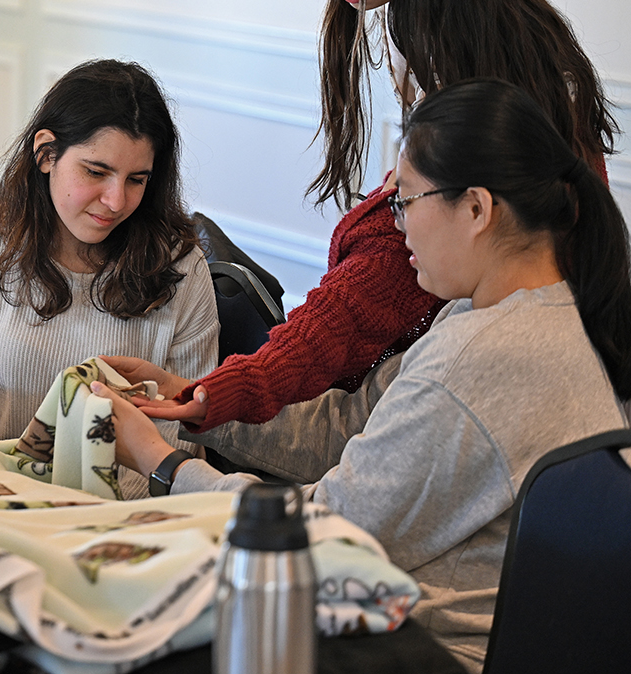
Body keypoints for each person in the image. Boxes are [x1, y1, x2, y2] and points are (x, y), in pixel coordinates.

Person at [94, 79, 631, 670]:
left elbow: (324, 533)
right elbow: (352, 425)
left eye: (406, 201)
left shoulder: (482, 358)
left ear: (476, 209)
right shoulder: (525, 311)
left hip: (425, 653)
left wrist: (163, 464)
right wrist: (198, 402)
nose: (397, 227)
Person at [143, 0, 618, 433]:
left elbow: (390, 275)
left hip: (510, 354)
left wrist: (246, 382)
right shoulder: (458, 10)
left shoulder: (480, 57)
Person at [0, 60, 218, 451]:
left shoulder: (181, 271)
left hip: (128, 510)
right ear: (45, 154)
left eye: (136, 180)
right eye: (95, 172)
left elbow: (187, 443)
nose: (115, 201)